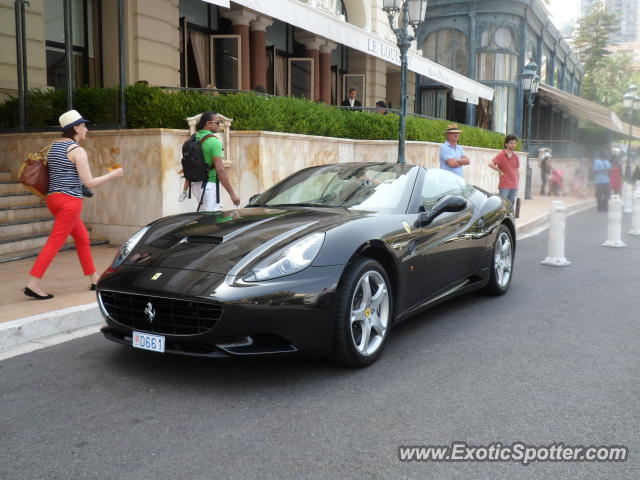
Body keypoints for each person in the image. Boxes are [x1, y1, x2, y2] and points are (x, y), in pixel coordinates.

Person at [24, 110, 124, 300]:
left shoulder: (54, 146)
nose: (86, 129)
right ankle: (33, 284)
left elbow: (63, 175)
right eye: (84, 126)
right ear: (76, 128)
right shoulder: (76, 150)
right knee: (54, 243)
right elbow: (90, 182)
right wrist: (114, 174)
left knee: (82, 238)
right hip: (69, 202)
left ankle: (94, 279)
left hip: (54, 200)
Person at [192, 111, 240, 211]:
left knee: (204, 218)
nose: (219, 125)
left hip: (196, 185)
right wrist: (232, 194)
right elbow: (220, 170)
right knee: (210, 222)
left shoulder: (195, 138)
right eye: (217, 123)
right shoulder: (214, 141)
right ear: (208, 124)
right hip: (209, 185)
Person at [488, 134, 520, 206]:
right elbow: (490, 164)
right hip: (504, 184)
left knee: (511, 205)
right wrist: (499, 171)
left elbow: (517, 170)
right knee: (502, 205)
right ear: (506, 144)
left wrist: (518, 182)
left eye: (514, 143)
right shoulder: (501, 155)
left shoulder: (516, 156)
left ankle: (510, 217)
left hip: (514, 185)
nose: (513, 144)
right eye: (511, 143)